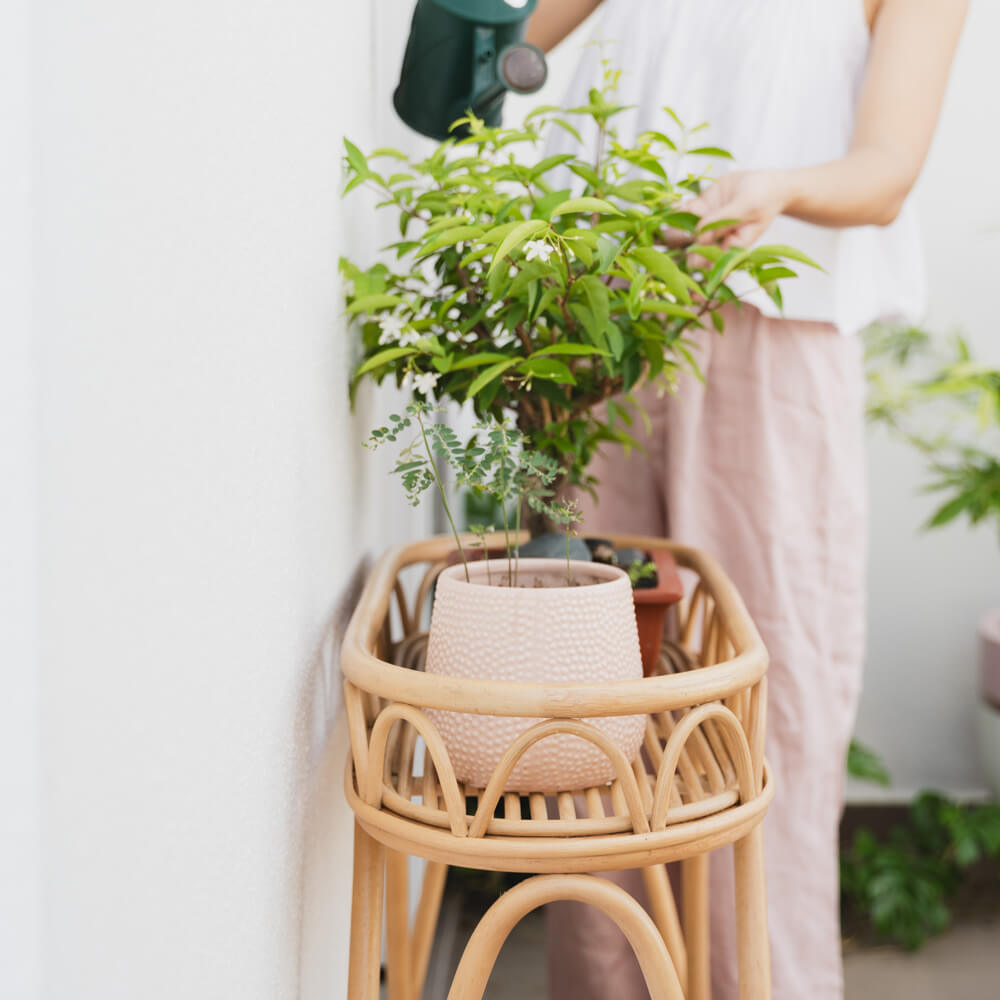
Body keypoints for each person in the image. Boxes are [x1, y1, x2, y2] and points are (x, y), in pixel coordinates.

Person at [525, 1, 968, 998]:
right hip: (605, 325)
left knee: (762, 697)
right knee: (590, 697)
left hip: (775, 332)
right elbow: (499, 40)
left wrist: (780, 185)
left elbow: (886, 170)